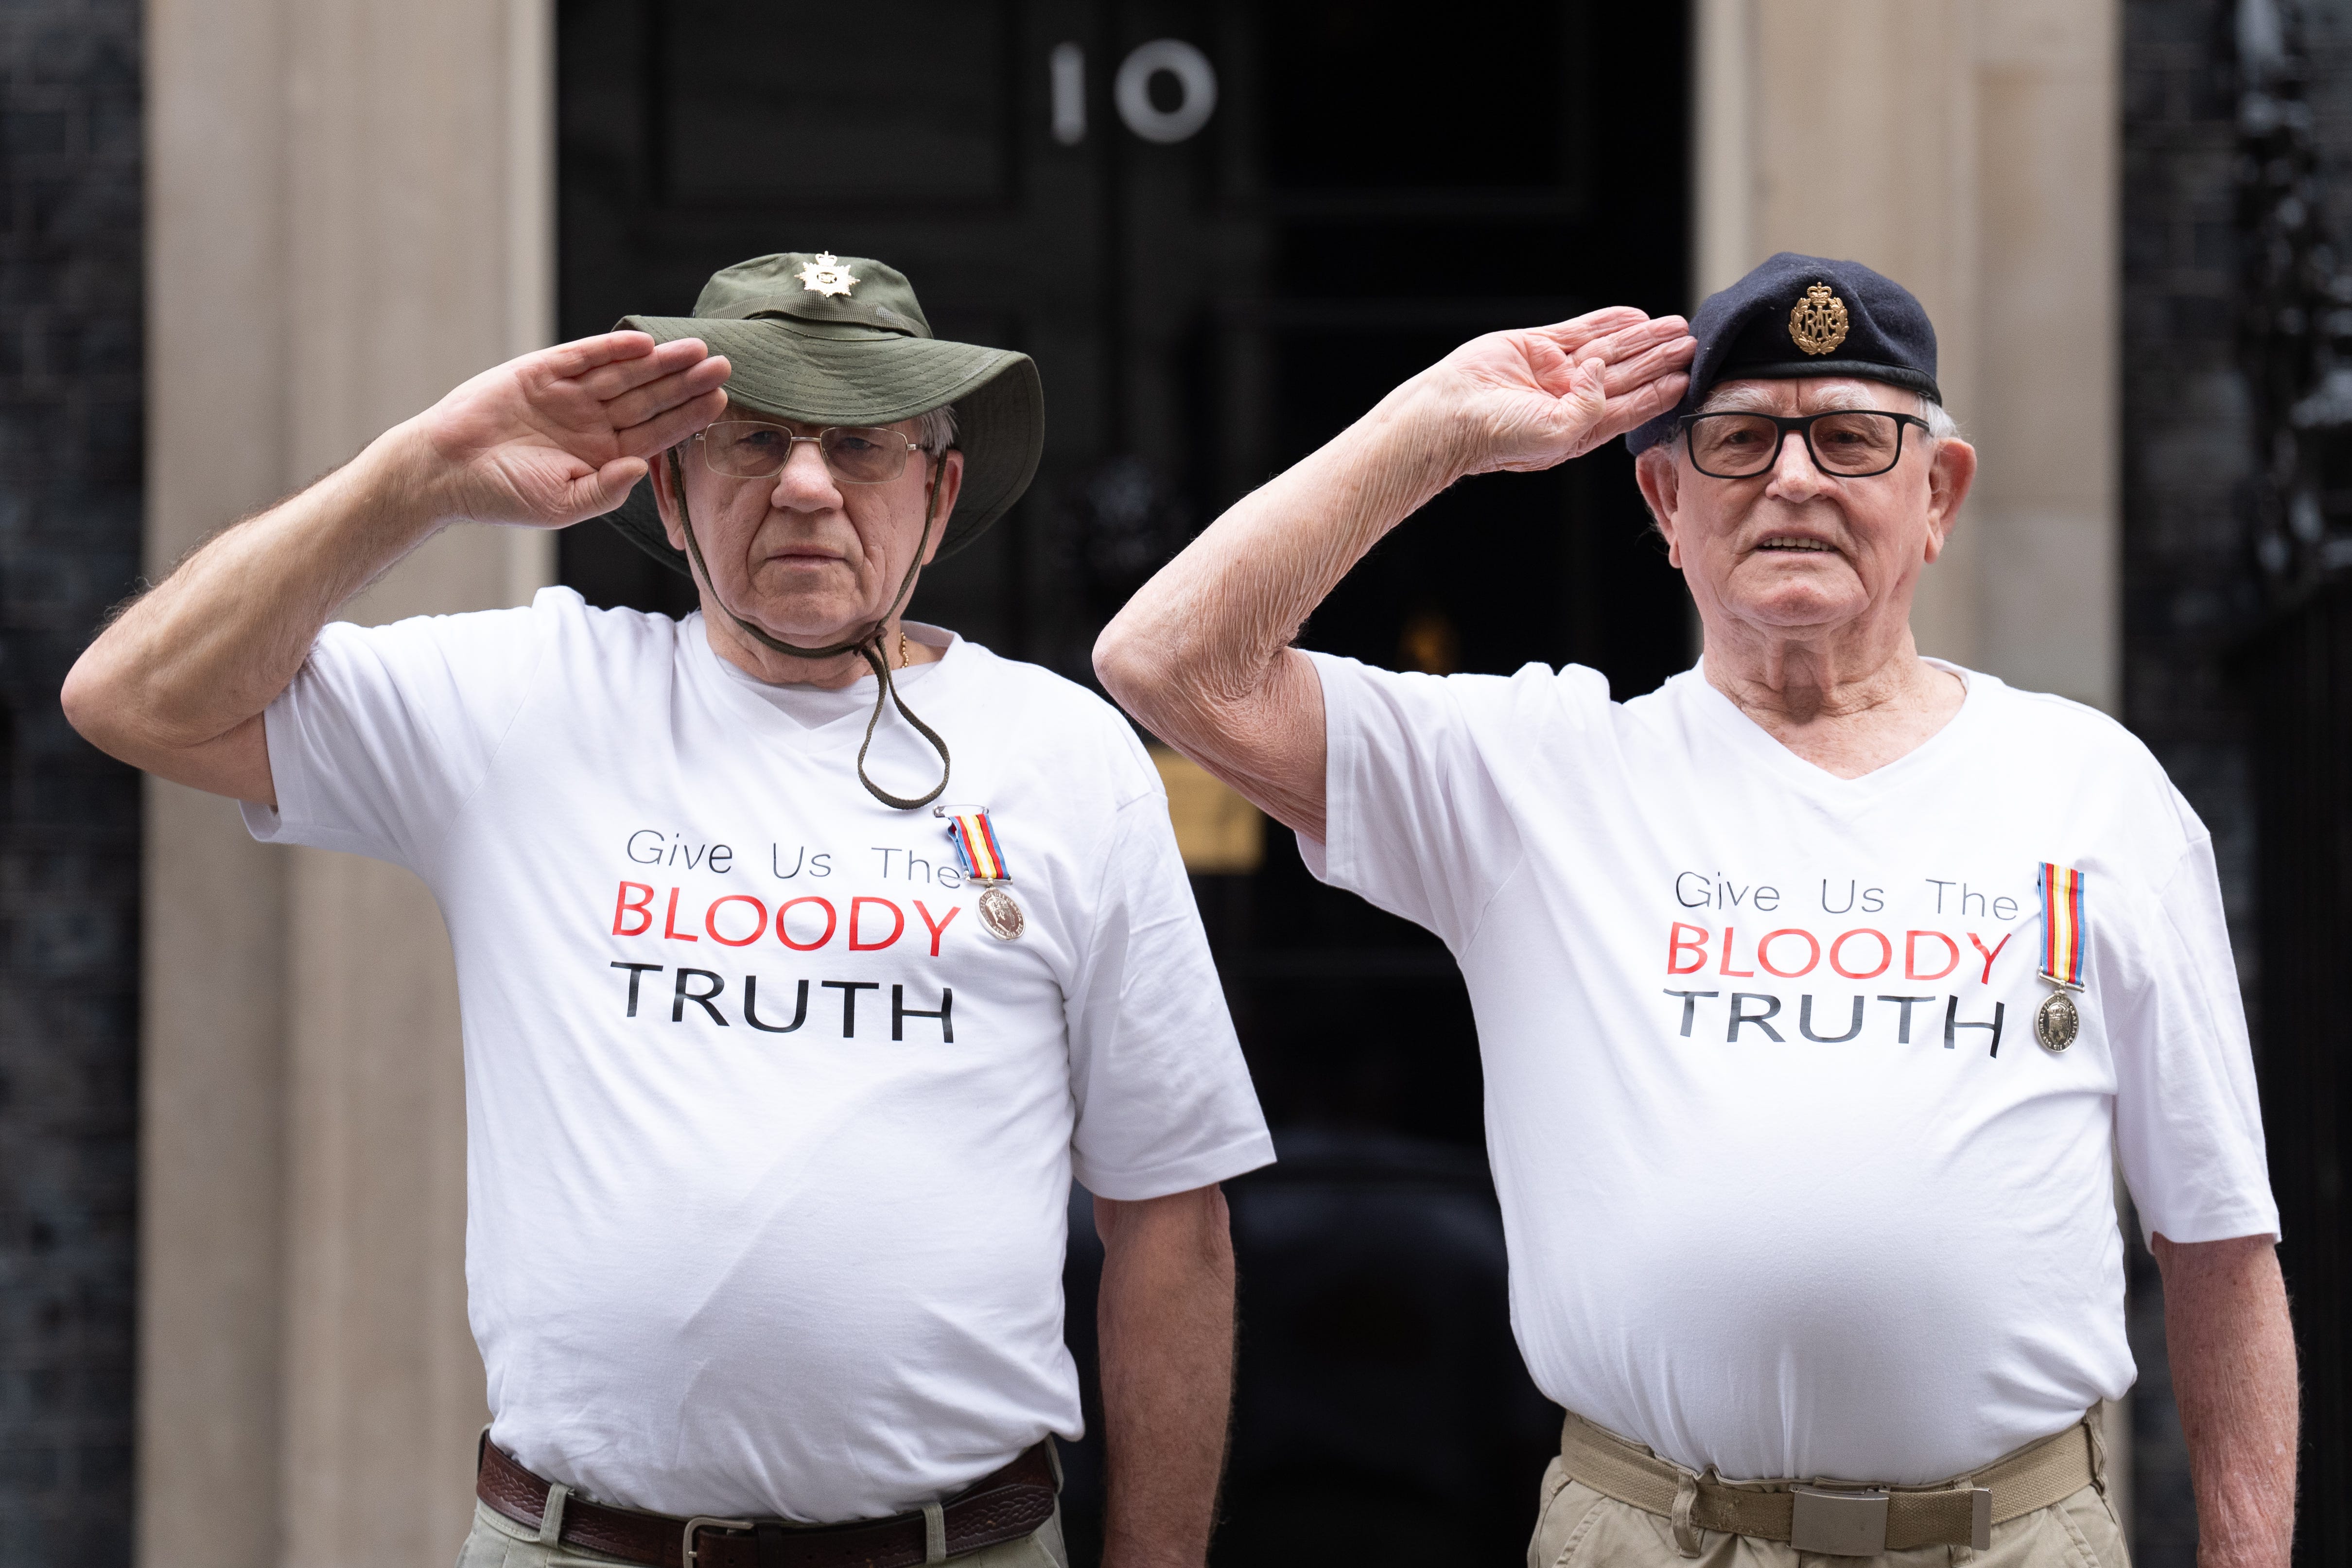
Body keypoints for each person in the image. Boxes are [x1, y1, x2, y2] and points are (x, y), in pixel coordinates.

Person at [65, 252, 1273, 1568]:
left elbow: (1170, 1218)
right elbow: (134, 698)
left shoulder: (1064, 754)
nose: (806, 484)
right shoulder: (532, 693)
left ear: (940, 495)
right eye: (753, 439)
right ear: (670, 488)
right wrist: (417, 474)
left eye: (861, 447)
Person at [1095, 253, 2295, 1567]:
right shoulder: (1538, 773)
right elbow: (1164, 661)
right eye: (1738, 441)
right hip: (1646, 1537)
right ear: (1663, 499)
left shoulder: (2095, 789)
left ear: (1937, 493)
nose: (1793, 478)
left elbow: (2222, 1244)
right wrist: (1433, 431)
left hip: (2010, 1538)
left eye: (1849, 436)